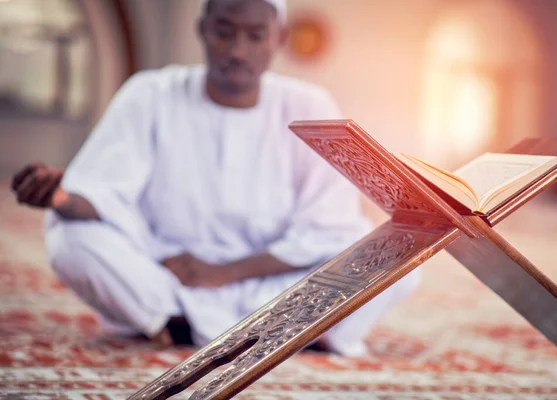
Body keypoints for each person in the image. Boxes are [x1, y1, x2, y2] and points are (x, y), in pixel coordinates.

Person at [10, 0, 420, 357]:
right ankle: (244, 332)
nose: (238, 51)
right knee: (70, 238)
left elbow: (327, 228)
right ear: (203, 31)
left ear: (279, 37)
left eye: (255, 35)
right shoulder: (151, 93)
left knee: (401, 263)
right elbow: (101, 194)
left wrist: (224, 272)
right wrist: (59, 198)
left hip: (275, 287)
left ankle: (234, 329)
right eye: (225, 33)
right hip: (168, 281)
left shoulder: (309, 105)